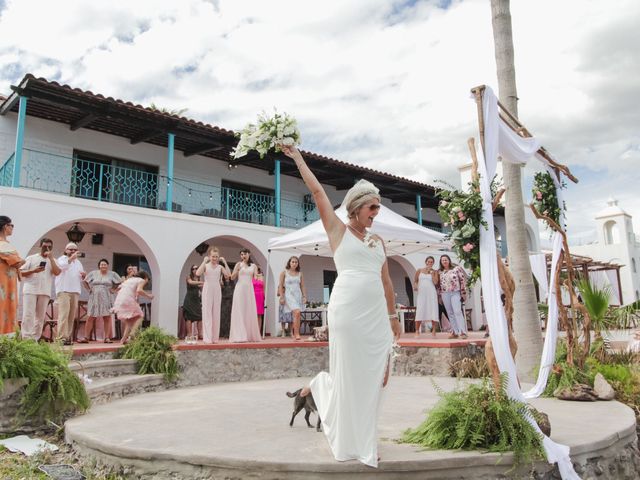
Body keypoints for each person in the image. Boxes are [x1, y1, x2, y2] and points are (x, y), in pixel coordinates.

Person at [281, 145, 401, 468]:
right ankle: (359, 441)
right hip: (347, 312)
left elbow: (387, 282)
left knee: (378, 376)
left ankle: (356, 424)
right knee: (351, 375)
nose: (377, 213)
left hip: (377, 317)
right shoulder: (337, 230)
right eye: (372, 208)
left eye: (378, 207)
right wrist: (296, 157)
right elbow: (317, 190)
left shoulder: (379, 243)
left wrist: (393, 317)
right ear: (357, 208)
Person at [20, 238, 61, 340]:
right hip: (30, 290)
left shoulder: (53, 260)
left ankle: (34, 339)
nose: (47, 248)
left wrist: (51, 259)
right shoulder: (32, 258)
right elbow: (20, 272)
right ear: (40, 246)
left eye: (49, 246)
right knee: (28, 315)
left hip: (44, 291)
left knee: (40, 317)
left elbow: (57, 272)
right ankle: (26, 338)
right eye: (44, 246)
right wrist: (34, 270)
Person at [81, 259, 122, 343]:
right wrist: (89, 290)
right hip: (94, 296)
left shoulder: (112, 274)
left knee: (107, 317)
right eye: (101, 264)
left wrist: (114, 290)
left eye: (105, 264)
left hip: (107, 296)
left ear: (107, 265)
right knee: (90, 316)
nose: (103, 266)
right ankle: (86, 337)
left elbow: (120, 282)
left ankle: (107, 337)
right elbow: (85, 281)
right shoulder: (93, 273)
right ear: (99, 266)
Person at [196, 247, 230, 343]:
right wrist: (204, 261)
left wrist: (225, 262)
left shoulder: (220, 267)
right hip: (207, 289)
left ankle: (215, 338)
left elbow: (228, 275)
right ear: (209, 256)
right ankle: (207, 338)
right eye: (213, 256)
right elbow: (198, 273)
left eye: (216, 256)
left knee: (216, 313)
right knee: (207, 313)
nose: (214, 258)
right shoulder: (206, 266)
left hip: (217, 289)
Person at [55, 242, 86, 345]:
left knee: (71, 316)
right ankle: (60, 338)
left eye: (74, 249)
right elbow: (61, 267)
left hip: (75, 291)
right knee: (63, 314)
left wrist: (83, 276)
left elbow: (80, 277)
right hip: (63, 290)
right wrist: (71, 259)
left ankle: (67, 337)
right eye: (70, 249)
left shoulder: (78, 263)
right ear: (65, 250)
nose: (72, 251)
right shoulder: (61, 259)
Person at [229, 248, 261, 342]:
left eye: (245, 254)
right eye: (242, 254)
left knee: (248, 310)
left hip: (249, 290)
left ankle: (248, 334)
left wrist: (259, 276)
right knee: (239, 310)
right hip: (239, 289)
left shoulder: (254, 266)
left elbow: (255, 277)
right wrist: (237, 270)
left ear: (249, 254)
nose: (243, 256)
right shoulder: (238, 264)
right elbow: (232, 277)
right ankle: (239, 335)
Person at [112, 271, 154, 344]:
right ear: (145, 277)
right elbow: (139, 290)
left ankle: (123, 339)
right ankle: (132, 335)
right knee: (140, 316)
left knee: (130, 320)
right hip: (128, 299)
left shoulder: (129, 280)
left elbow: (118, 289)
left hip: (120, 299)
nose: (147, 281)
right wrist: (148, 295)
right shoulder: (141, 280)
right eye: (148, 279)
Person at [0, 216, 25, 335]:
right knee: (5, 308)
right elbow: (17, 262)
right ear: (5, 226)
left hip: (5, 282)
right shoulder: (3, 244)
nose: (12, 228)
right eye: (12, 225)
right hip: (5, 283)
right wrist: (25, 261)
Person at [438, 254, 468, 339]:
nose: (444, 261)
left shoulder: (456, 269)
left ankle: (462, 332)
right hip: (444, 293)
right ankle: (454, 331)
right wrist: (439, 296)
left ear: (449, 260)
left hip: (455, 292)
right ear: (441, 262)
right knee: (450, 313)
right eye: (442, 260)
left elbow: (462, 280)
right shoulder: (440, 272)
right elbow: (439, 285)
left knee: (457, 311)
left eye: (446, 259)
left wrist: (463, 292)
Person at [278, 256, 308, 340]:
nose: (294, 263)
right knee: (297, 312)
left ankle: (296, 333)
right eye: (293, 262)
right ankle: (296, 333)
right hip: (288, 295)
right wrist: (281, 297)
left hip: (298, 295)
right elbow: (280, 285)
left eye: (296, 262)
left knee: (297, 314)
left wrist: (304, 296)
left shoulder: (300, 273)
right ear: (289, 263)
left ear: (298, 264)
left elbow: (302, 286)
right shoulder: (284, 273)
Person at [413, 256, 439, 337]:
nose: (430, 263)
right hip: (422, 294)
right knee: (420, 310)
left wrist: (432, 274)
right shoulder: (419, 270)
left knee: (433, 310)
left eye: (431, 262)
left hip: (431, 293)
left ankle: (434, 330)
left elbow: (435, 282)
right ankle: (417, 331)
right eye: (428, 261)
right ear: (426, 262)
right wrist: (415, 286)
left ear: (433, 263)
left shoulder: (435, 272)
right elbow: (415, 281)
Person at [182, 264, 204, 341]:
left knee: (200, 317)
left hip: (197, 300)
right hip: (189, 300)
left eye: (196, 268)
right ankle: (189, 334)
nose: (195, 270)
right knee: (189, 318)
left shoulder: (198, 278)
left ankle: (200, 334)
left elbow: (201, 290)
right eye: (193, 269)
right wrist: (202, 282)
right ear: (191, 270)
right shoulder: (189, 277)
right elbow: (190, 282)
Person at [253, 265, 265, 333]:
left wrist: (264, 297)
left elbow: (263, 288)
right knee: (252, 313)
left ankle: (258, 331)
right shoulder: (251, 276)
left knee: (259, 314)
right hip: (253, 295)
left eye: (258, 268)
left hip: (260, 296)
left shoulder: (261, 276)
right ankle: (252, 331)